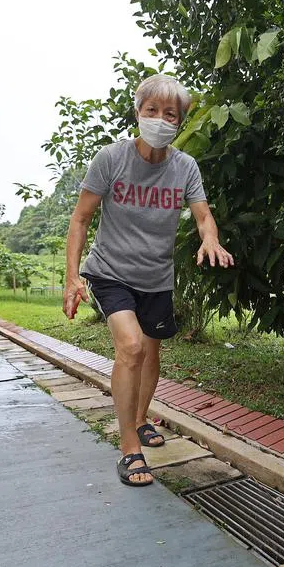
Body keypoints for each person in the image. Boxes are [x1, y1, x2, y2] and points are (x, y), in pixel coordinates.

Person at [63, 74, 234, 487]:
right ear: (138, 113)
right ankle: (129, 450)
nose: (159, 119)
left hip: (157, 277)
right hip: (110, 272)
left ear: (179, 122)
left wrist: (210, 238)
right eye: (151, 110)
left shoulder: (184, 167)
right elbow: (81, 218)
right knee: (132, 347)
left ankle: (139, 420)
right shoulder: (111, 159)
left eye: (169, 114)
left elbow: (202, 214)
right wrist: (72, 278)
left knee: (152, 354)